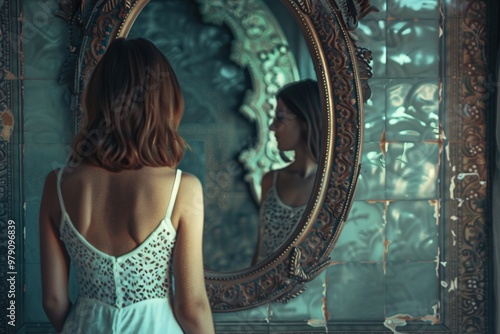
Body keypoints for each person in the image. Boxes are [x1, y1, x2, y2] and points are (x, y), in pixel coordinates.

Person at [39, 37, 214, 334]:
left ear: (98, 100)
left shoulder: (58, 183)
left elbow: (53, 301)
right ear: (164, 102)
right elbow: (191, 306)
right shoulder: (183, 189)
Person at [253, 79, 322, 265]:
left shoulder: (331, 186)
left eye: (280, 117)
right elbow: (260, 251)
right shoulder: (270, 181)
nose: (272, 126)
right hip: (267, 291)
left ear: (306, 120)